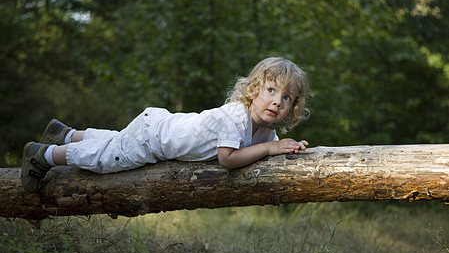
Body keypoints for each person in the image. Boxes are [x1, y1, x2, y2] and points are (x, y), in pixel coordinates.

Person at [21, 57, 310, 192]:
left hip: (160, 125)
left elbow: (271, 147)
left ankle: (66, 134)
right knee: (106, 157)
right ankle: (42, 156)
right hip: (155, 140)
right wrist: (271, 148)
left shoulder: (266, 131)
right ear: (254, 89)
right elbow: (227, 159)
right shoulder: (236, 115)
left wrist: (289, 148)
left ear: (292, 107)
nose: (277, 102)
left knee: (115, 141)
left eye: (287, 98)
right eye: (271, 91)